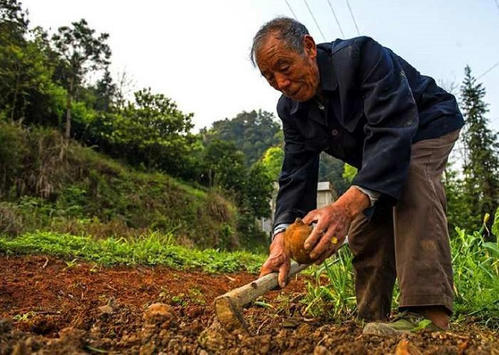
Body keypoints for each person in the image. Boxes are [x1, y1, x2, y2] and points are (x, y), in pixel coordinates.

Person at [252, 17, 464, 335]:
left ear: (308, 48)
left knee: (410, 179)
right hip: (380, 152)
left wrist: (344, 206)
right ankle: (370, 317)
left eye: (284, 67)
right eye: (270, 77)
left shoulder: (362, 56)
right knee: (364, 228)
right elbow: (296, 174)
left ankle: (427, 314)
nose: (281, 82)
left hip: (425, 122)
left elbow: (393, 130)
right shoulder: (292, 110)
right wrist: (281, 238)